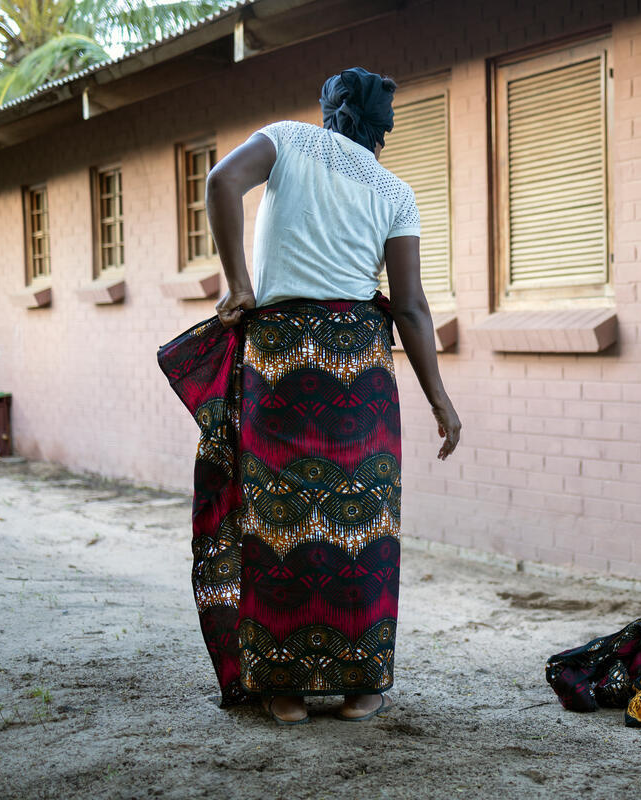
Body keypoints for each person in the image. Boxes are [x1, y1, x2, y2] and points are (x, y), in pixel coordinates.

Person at [189, 67, 460, 725]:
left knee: (275, 519)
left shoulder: (287, 140)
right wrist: (440, 400)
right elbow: (413, 307)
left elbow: (221, 180)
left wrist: (240, 285)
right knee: (364, 525)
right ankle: (361, 687)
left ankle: (281, 690)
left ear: (329, 112)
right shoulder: (395, 191)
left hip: (278, 360)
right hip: (357, 368)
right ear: (382, 128)